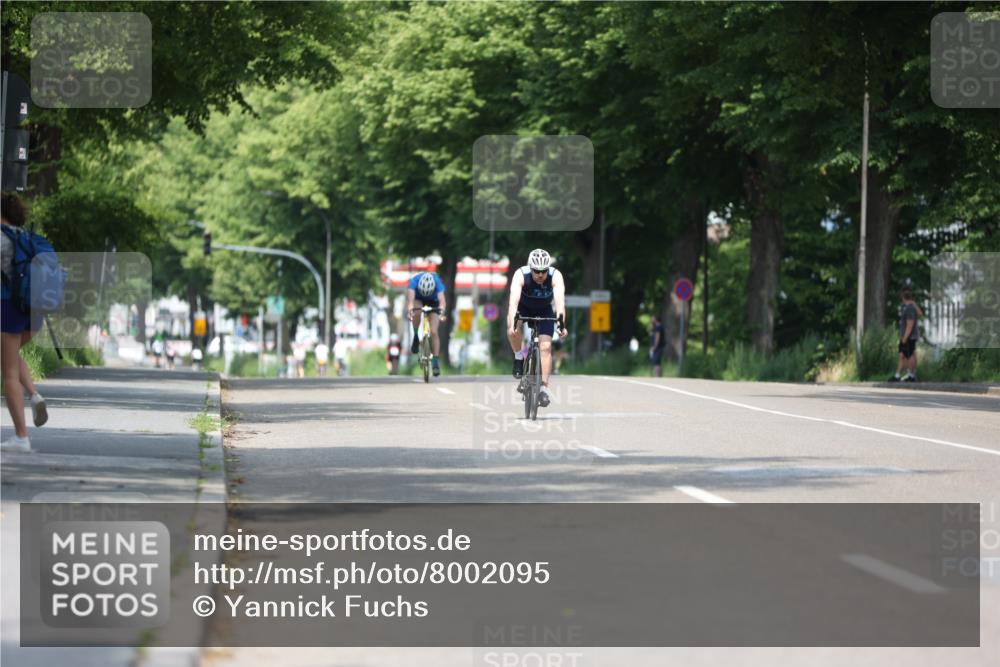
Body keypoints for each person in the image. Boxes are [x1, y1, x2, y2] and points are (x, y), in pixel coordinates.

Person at [1, 193, 49, 452]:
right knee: (7, 357)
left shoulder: (1, 238)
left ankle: (21, 437)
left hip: (9, 309)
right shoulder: (25, 237)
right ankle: (33, 393)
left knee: (7, 372)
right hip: (33, 311)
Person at [506, 248, 567, 408]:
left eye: (543, 271)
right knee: (513, 330)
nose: (540, 275)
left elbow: (560, 304)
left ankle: (543, 389)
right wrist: (513, 323)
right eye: (537, 271)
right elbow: (513, 302)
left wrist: (562, 325)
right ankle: (519, 357)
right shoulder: (520, 274)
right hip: (523, 307)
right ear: (530, 268)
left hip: (544, 310)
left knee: (546, 347)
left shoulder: (556, 276)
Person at [405, 270, 447, 377]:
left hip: (433, 301)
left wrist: (441, 312)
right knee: (417, 312)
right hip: (418, 299)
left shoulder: (438, 283)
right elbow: (410, 302)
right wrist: (410, 312)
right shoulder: (414, 282)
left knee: (433, 332)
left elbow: (442, 302)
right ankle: (416, 336)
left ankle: (436, 362)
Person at [889, 287, 922, 383]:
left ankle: (911, 376)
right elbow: (920, 313)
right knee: (902, 355)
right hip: (908, 336)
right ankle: (898, 375)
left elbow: (910, 324)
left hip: (909, 336)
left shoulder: (909, 309)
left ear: (902, 297)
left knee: (910, 354)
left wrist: (905, 337)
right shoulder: (909, 307)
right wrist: (913, 302)